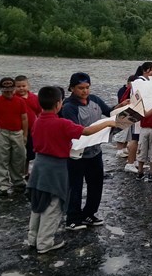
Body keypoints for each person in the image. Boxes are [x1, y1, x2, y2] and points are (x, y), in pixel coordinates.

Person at [26, 86, 116, 253]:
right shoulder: (62, 123)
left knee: (38, 202)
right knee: (54, 204)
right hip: (55, 167)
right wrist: (108, 123)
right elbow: (86, 131)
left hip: (39, 166)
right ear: (59, 104)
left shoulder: (38, 120)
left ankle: (33, 239)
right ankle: (45, 243)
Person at [62, 72, 128, 230]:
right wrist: (105, 126)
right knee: (75, 186)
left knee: (96, 184)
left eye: (87, 87)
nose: (84, 91)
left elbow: (109, 112)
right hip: (76, 154)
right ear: (72, 88)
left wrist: (122, 106)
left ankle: (89, 214)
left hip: (95, 151)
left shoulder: (95, 100)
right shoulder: (68, 107)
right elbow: (77, 131)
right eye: (80, 88)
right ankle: (73, 218)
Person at [0, 77, 28, 197]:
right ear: (1, 89)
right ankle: (3, 185)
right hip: (1, 133)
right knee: (0, 159)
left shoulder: (20, 102)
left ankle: (18, 181)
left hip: (17, 133)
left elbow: (24, 119)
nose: (8, 91)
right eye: (5, 88)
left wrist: (25, 135)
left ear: (14, 88)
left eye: (10, 88)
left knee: (20, 157)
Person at [15, 75, 42, 179]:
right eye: (18, 86)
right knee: (19, 153)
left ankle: (26, 172)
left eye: (23, 86)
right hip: (18, 130)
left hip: (32, 130)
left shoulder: (34, 98)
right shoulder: (13, 98)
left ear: (28, 86)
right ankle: (18, 174)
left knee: (29, 153)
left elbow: (39, 112)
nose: (21, 88)